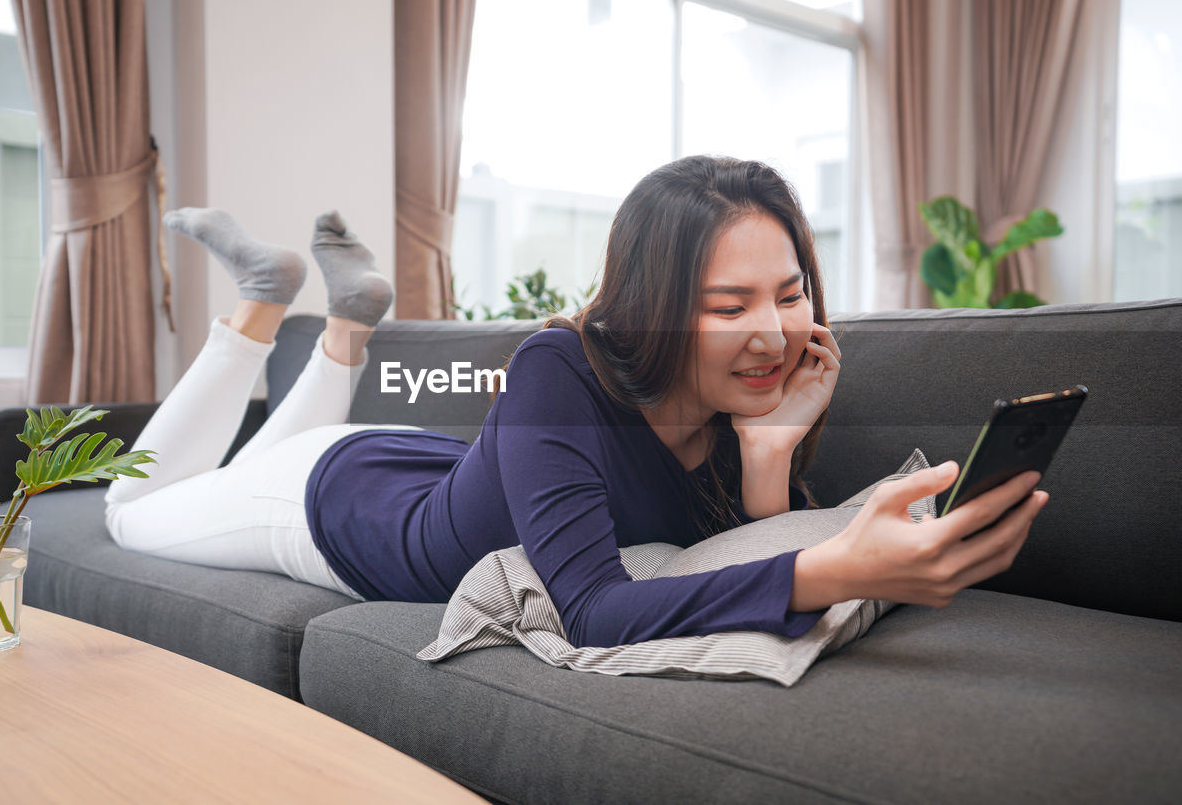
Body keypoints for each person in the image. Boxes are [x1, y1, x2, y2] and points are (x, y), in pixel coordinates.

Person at [106, 156, 1048, 649]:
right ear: (656, 306)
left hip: (408, 460)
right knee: (126, 509)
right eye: (731, 306)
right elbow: (594, 610)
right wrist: (842, 572)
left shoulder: (743, 407)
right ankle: (264, 304)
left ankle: (347, 322)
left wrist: (768, 462)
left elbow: (738, 546)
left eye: (791, 293)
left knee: (237, 464)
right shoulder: (557, 366)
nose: (775, 331)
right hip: (330, 506)